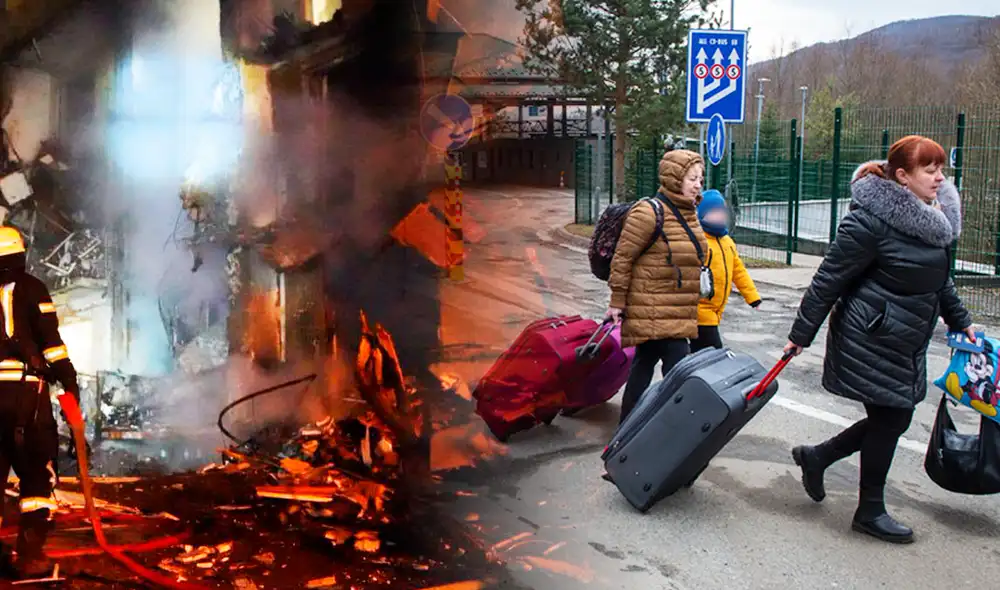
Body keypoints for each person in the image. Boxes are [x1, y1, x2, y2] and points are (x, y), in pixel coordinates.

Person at [783, 136, 975, 544]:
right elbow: (828, 279)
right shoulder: (869, 221)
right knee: (892, 418)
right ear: (902, 177)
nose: (940, 177)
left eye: (941, 168)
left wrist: (961, 320)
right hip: (870, 335)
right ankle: (869, 510)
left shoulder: (934, 218)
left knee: (894, 417)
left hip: (906, 339)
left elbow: (940, 281)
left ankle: (817, 457)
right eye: (930, 169)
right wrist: (801, 335)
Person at [0, 227, 81, 578]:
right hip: (25, 395)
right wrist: (69, 379)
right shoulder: (33, 289)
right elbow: (52, 344)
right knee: (35, 475)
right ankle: (28, 556)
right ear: (21, 254)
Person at [606, 149, 707, 424]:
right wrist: (617, 300)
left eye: (700, 178)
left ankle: (628, 429)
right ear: (674, 179)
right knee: (679, 367)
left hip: (676, 307)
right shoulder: (649, 212)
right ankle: (674, 431)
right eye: (692, 179)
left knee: (644, 363)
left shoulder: (690, 212)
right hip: (652, 306)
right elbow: (623, 258)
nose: (698, 184)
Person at [691, 189, 761, 353]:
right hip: (701, 310)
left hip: (717, 310)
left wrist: (752, 297)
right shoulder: (699, 240)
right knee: (716, 352)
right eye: (714, 212)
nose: (720, 215)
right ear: (702, 215)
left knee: (698, 354)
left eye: (722, 210)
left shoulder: (727, 241)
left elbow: (739, 271)